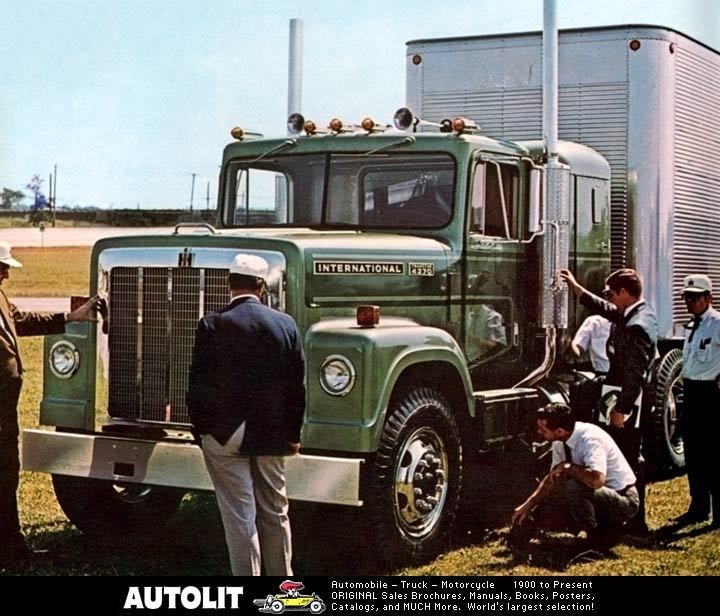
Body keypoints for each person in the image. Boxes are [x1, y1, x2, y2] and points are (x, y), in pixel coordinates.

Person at [187, 253, 306, 576]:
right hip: (273, 432)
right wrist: (292, 434)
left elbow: (197, 386)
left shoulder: (211, 324)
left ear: (229, 285)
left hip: (226, 432)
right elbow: (297, 388)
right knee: (276, 510)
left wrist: (201, 431)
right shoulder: (286, 324)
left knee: (241, 515)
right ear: (261, 286)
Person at [0, 240, 99, 566]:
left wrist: (70, 316)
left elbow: (22, 320)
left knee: (7, 475)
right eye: (2, 268)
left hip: (5, 409)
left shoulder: (0, 296)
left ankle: (12, 550)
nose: (6, 276)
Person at [559, 268, 658, 535]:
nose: (610, 299)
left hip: (626, 398)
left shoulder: (637, 326)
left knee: (626, 456)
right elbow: (606, 308)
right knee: (619, 452)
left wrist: (621, 410)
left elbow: (635, 374)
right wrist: (577, 288)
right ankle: (620, 515)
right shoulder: (635, 312)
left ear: (625, 293)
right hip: (616, 392)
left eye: (612, 294)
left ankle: (634, 519)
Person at [509, 403, 639, 554]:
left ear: (559, 430)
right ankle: (521, 536)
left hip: (623, 498)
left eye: (543, 430)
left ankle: (595, 541)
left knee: (574, 487)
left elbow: (597, 481)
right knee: (556, 493)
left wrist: (568, 467)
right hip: (595, 497)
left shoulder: (590, 439)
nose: (539, 432)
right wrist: (528, 505)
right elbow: (553, 480)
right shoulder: (560, 440)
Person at [673, 274, 720, 528]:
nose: (689, 302)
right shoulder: (691, 326)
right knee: (693, 452)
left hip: (710, 394)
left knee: (713, 454)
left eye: (694, 297)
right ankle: (698, 506)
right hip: (691, 391)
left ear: (708, 298)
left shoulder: (717, 323)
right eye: (687, 297)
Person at [568, 314, 611, 423]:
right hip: (606, 377)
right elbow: (578, 346)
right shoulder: (594, 321)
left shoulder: (632, 321)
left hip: (617, 379)